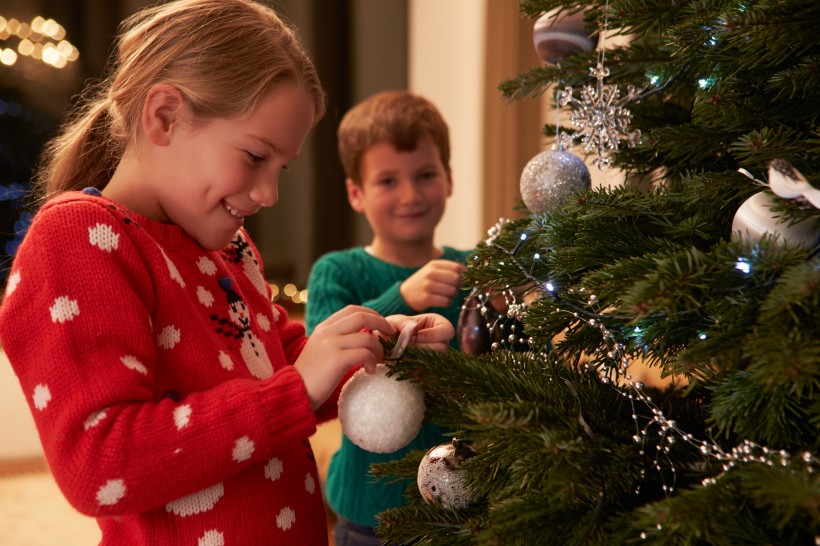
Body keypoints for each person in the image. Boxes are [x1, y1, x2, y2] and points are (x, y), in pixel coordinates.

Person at [0, 2, 454, 545]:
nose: (269, 194)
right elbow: (101, 464)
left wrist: (381, 352)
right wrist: (297, 390)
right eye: (254, 157)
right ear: (164, 116)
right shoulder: (78, 241)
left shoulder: (229, 249)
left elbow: (285, 368)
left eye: (280, 167)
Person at [305, 90, 471, 545]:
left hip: (468, 505)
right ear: (355, 193)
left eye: (425, 175)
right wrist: (400, 297)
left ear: (449, 179)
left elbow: (507, 373)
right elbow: (324, 361)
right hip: (370, 517)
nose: (411, 194)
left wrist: (505, 314)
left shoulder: (472, 269)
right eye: (388, 181)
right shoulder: (336, 272)